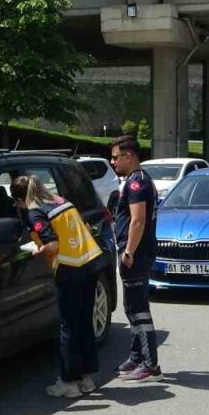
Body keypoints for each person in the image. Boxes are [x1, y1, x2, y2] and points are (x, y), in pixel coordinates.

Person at [12, 174, 104, 398]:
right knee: (84, 321)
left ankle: (68, 382)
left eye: (17, 202)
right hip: (90, 263)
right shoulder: (61, 201)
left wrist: (37, 251)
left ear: (21, 199)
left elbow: (52, 245)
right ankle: (87, 378)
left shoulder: (36, 211)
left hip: (69, 268)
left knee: (68, 326)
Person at [109, 134, 163, 383]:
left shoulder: (136, 183)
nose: (112, 161)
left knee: (138, 309)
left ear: (129, 156)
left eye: (116, 157)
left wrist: (128, 251)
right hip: (136, 252)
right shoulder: (136, 179)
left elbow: (138, 219)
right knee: (131, 308)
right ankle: (136, 356)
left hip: (137, 254)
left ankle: (150, 365)